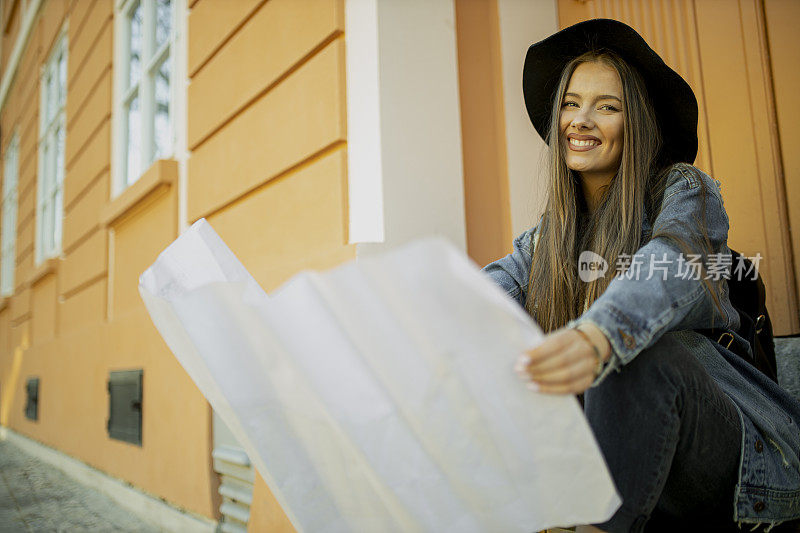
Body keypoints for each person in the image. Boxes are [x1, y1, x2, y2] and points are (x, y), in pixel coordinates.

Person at [481, 19, 800, 533]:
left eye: (606, 107)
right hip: (617, 465)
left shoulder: (685, 193)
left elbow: (671, 263)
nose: (580, 121)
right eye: (570, 103)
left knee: (637, 352)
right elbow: (479, 297)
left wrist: (599, 334)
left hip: (733, 460)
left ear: (638, 122)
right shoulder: (545, 242)